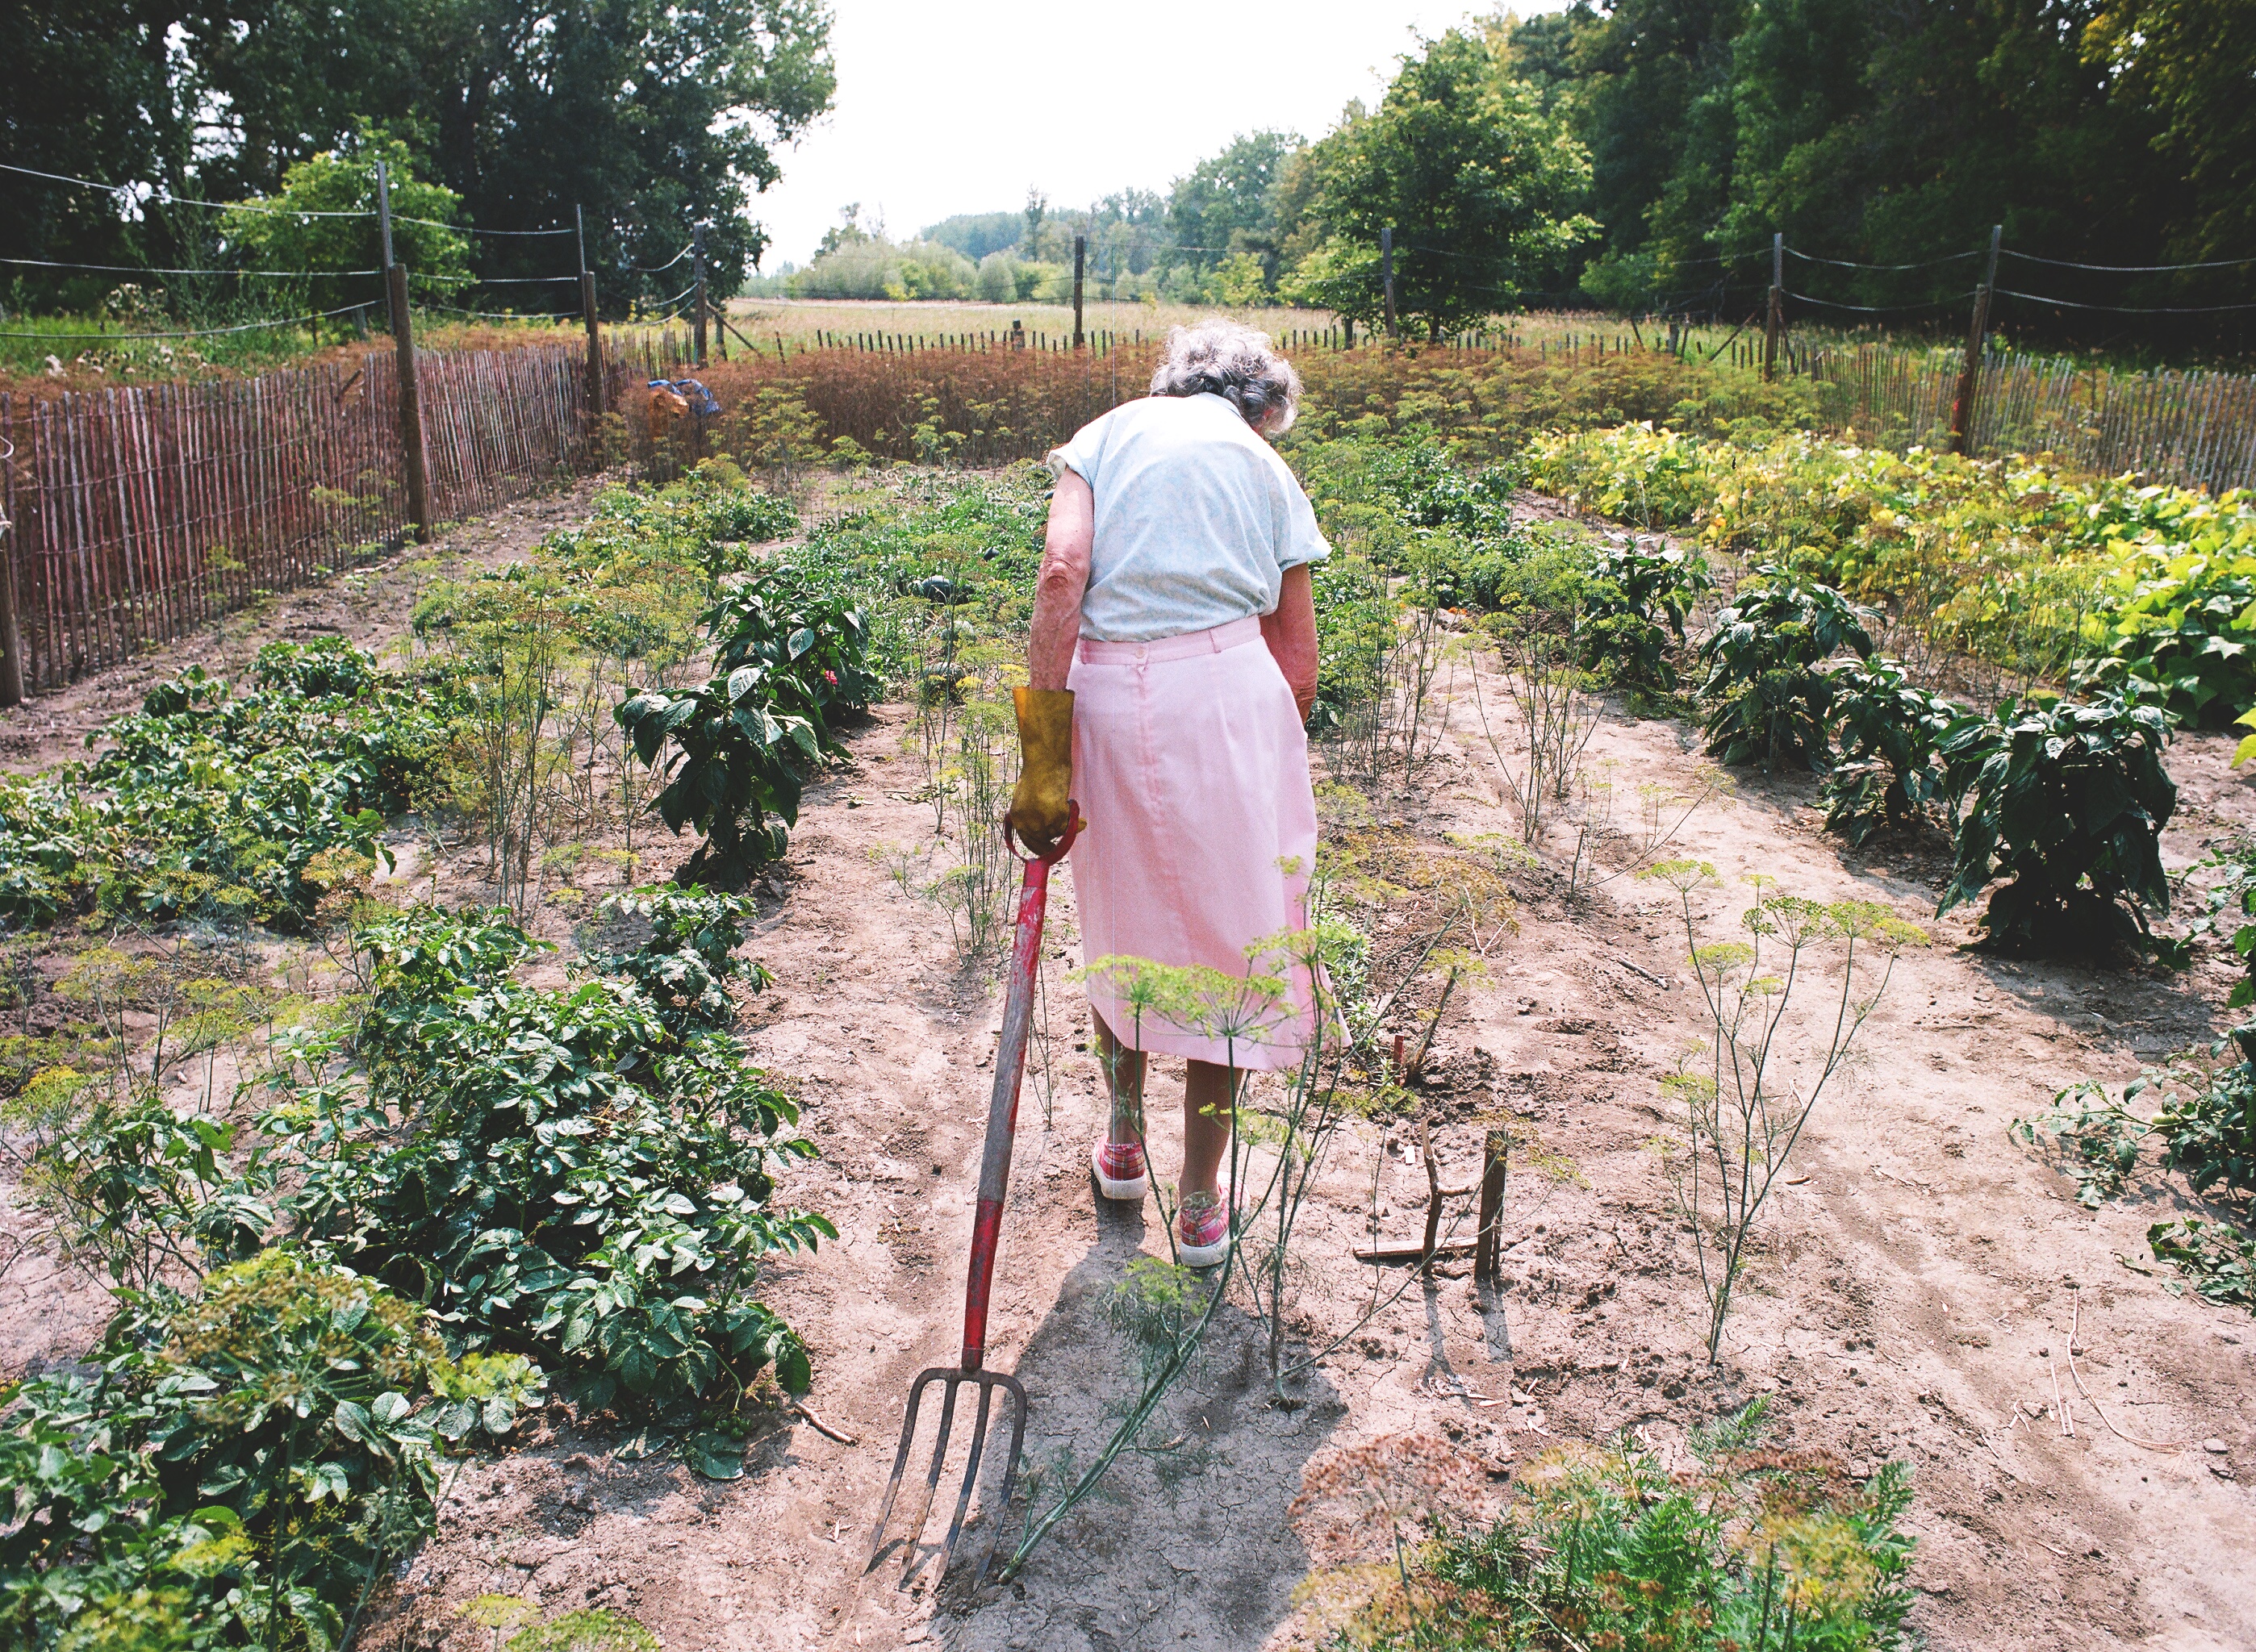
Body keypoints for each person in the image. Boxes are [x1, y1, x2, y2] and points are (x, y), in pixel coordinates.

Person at [1005, 319, 1326, 1267]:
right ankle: (1198, 1203)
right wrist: (1258, 751)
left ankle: (1119, 1137)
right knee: (1234, 942)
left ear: (1174, 386)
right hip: (1225, 695)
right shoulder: (1266, 468)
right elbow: (1298, 663)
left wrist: (1044, 761)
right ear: (1257, 407)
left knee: (1124, 926)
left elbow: (1062, 574)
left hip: (1103, 697)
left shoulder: (1103, 437)